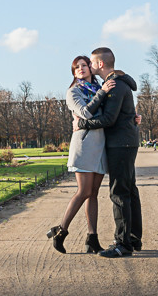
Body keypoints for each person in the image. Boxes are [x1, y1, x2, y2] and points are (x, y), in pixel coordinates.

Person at [74, 47, 142, 258]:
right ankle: (133, 238)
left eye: (91, 62)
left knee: (119, 192)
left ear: (100, 64)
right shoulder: (118, 83)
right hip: (127, 141)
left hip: (120, 144)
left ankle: (122, 244)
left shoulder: (113, 85)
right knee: (129, 190)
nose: (89, 65)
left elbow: (109, 119)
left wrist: (81, 124)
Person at [46, 56, 114, 254]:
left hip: (101, 147)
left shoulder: (100, 88)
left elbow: (110, 115)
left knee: (94, 193)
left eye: (84, 65)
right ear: (74, 73)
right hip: (84, 146)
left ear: (91, 68)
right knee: (84, 191)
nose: (81, 69)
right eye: (77, 67)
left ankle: (92, 238)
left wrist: (133, 118)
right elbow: (86, 113)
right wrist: (102, 93)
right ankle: (61, 231)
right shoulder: (73, 92)